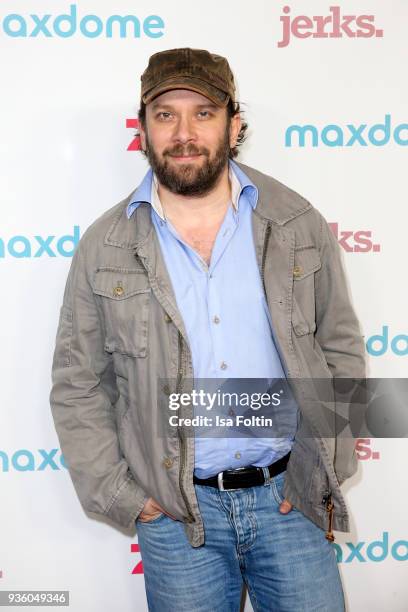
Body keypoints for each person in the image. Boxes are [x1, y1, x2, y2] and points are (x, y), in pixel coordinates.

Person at [50, 47, 366, 611]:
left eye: (203, 112)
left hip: (288, 503)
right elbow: (78, 385)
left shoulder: (296, 225)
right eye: (166, 114)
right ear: (143, 129)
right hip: (175, 518)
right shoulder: (105, 246)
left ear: (233, 124)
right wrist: (128, 496)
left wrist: (323, 463)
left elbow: (339, 350)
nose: (184, 132)